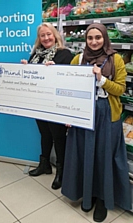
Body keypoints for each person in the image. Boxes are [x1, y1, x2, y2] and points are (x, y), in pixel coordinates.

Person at [61, 23, 132, 222]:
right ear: (86, 40)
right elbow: (66, 86)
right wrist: (67, 113)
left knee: (103, 156)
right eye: (90, 38)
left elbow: (120, 89)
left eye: (98, 37)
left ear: (105, 38)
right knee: (84, 153)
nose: (94, 41)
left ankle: (102, 198)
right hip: (82, 113)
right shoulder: (78, 59)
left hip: (106, 113)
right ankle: (88, 193)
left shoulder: (116, 59)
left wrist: (102, 80)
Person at [21, 23, 73, 190]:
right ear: (39, 38)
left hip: (56, 104)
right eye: (42, 35)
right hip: (39, 103)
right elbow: (31, 78)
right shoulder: (35, 54)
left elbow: (69, 78)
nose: (46, 38)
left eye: (49, 34)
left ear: (55, 35)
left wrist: (55, 69)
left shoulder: (64, 54)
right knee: (44, 133)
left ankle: (62, 172)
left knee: (58, 136)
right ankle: (44, 164)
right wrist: (25, 68)